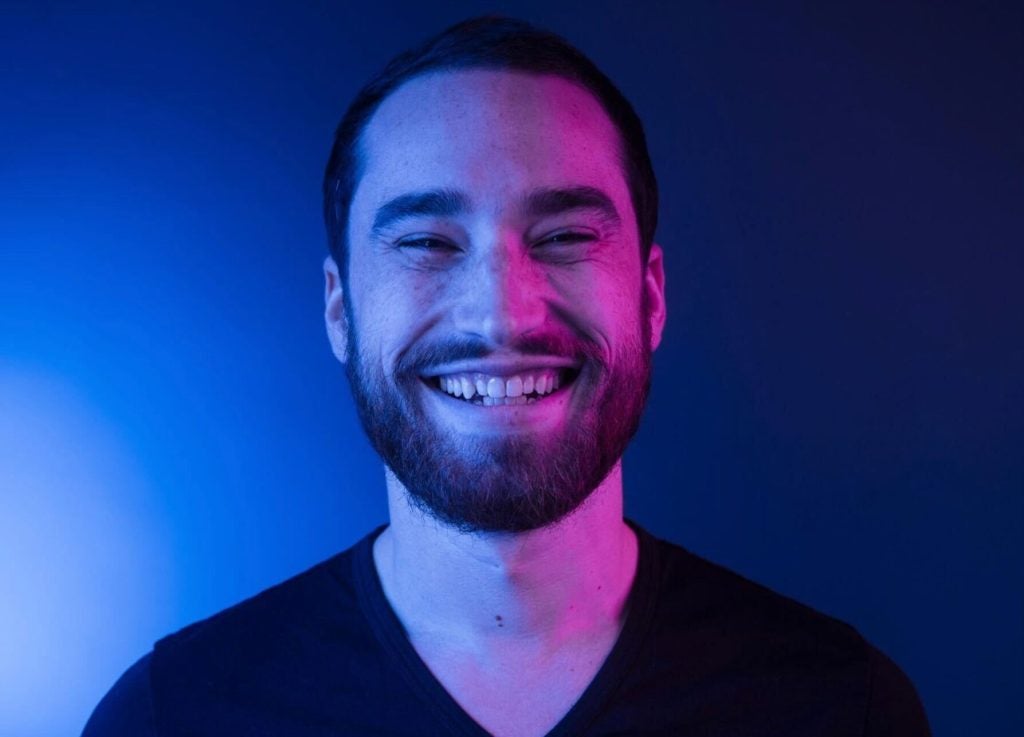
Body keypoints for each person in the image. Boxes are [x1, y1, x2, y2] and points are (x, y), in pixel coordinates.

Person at [83, 16, 931, 737]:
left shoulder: (842, 708)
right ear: (340, 310)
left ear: (650, 297)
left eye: (565, 237)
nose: (501, 316)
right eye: (427, 242)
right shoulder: (172, 717)